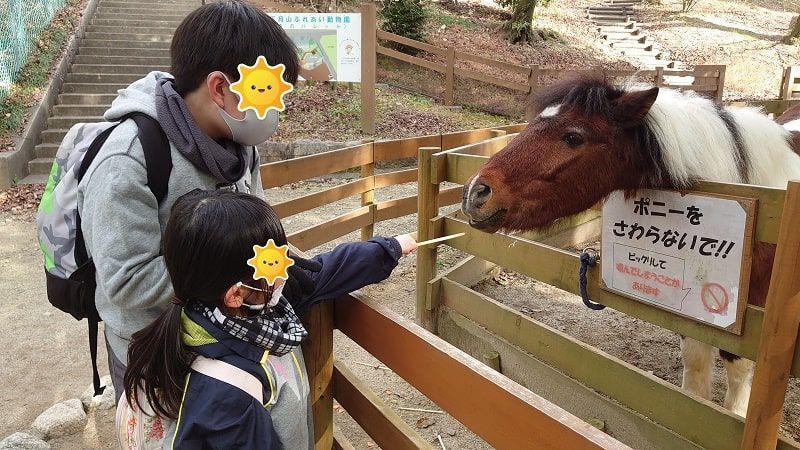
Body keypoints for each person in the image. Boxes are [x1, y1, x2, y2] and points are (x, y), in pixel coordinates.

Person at [77, 0, 306, 400]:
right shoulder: (129, 157)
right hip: (156, 352)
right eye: (268, 92)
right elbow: (126, 283)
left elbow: (253, 241)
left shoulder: (241, 150)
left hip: (226, 338)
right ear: (219, 88)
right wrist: (228, 274)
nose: (277, 109)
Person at [122, 189, 417, 448]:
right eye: (274, 265)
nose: (287, 271)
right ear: (235, 295)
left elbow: (323, 272)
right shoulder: (230, 402)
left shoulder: (219, 311)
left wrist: (389, 249)